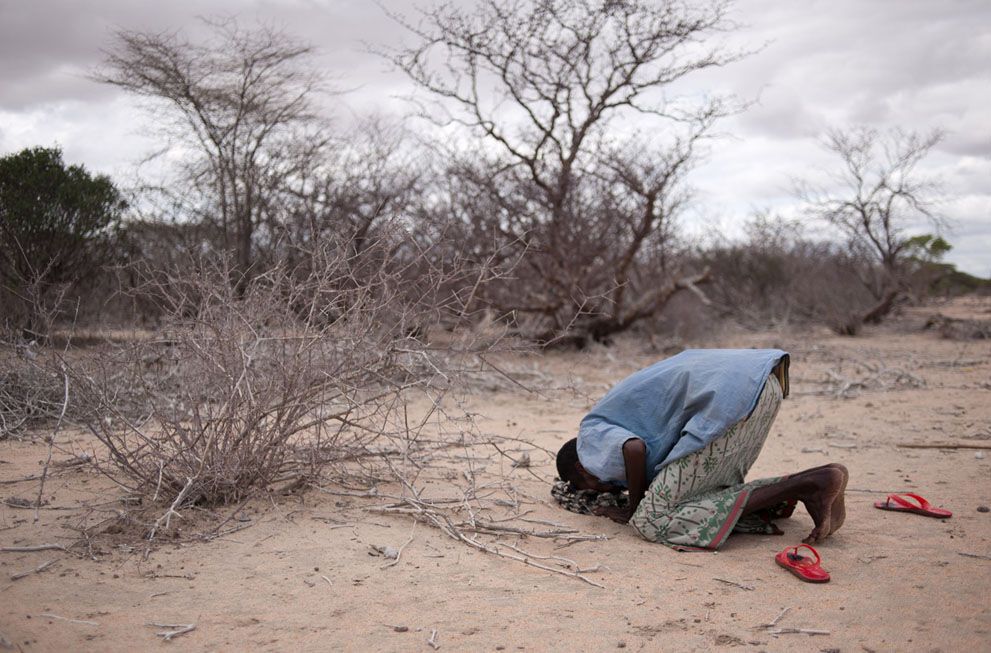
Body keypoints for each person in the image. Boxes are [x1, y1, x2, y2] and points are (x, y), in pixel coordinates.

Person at [553, 349, 847, 550]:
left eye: (590, 483)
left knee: (649, 521)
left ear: (581, 467)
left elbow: (633, 449)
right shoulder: (611, 421)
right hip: (762, 384)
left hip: (728, 400)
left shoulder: (590, 436)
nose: (604, 487)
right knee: (698, 494)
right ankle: (819, 480)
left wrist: (635, 507)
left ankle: (808, 485)